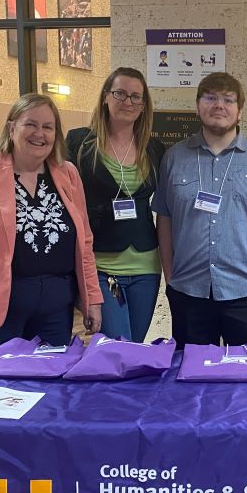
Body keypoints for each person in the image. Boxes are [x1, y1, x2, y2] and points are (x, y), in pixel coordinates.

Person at [0, 93, 103, 350]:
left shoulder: (68, 174)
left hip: (56, 311)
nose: (40, 133)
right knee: (1, 387)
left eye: (48, 127)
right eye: (31, 124)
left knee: (50, 384)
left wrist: (92, 298)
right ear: (11, 127)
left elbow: (84, 242)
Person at [152, 72, 247, 347]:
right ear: (198, 106)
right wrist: (170, 279)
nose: (219, 105)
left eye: (228, 100)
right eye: (210, 97)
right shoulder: (174, 158)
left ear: (240, 112)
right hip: (188, 293)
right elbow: (165, 219)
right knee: (191, 381)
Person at [66, 68, 165, 342]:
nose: (128, 102)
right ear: (105, 98)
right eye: (120, 93)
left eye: (136, 96)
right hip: (99, 263)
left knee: (134, 346)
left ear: (144, 105)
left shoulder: (154, 149)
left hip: (145, 264)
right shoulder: (79, 142)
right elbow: (48, 176)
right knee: (117, 346)